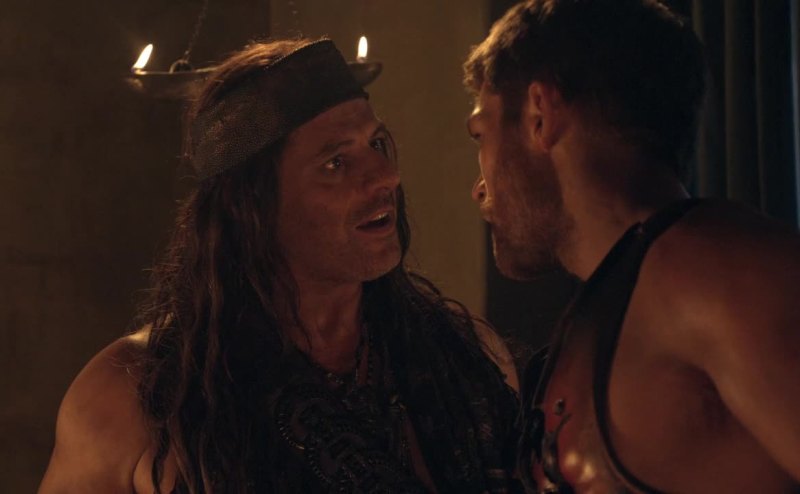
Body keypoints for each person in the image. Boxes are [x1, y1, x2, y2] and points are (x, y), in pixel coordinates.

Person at [39, 38, 520, 493]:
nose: (385, 177)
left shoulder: (464, 358)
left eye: (376, 144)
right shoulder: (133, 397)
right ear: (253, 208)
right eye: (336, 163)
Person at [463, 0, 800, 492]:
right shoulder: (610, 303)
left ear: (539, 114)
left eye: (481, 134)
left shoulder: (710, 272)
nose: (480, 188)